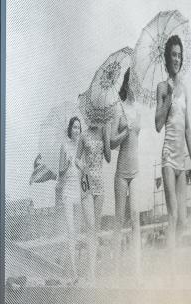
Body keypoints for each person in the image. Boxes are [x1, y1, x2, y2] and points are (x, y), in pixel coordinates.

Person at [154, 34, 191, 252]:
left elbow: (187, 128)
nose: (176, 59)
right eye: (173, 55)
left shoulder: (185, 88)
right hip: (168, 156)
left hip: (181, 159)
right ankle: (170, 269)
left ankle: (174, 258)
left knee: (183, 221)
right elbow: (158, 124)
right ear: (167, 59)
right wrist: (168, 95)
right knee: (173, 214)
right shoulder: (162, 87)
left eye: (179, 55)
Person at [109, 68, 142, 274]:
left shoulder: (138, 110)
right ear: (127, 83)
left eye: (138, 83)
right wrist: (124, 131)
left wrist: (132, 129)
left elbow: (137, 141)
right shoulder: (118, 109)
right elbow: (112, 143)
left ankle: (137, 271)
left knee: (136, 216)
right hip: (121, 173)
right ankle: (116, 270)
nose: (136, 86)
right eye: (133, 82)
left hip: (136, 171)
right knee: (119, 220)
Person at [76, 120, 111, 281]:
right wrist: (82, 167)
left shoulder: (103, 133)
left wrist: (106, 135)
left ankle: (93, 271)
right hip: (86, 183)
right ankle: (91, 273)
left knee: (96, 228)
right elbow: (77, 158)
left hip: (100, 185)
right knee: (90, 226)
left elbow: (109, 157)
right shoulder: (83, 135)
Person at [56, 116, 82, 279]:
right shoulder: (64, 145)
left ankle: (68, 267)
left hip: (79, 191)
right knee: (70, 230)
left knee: (76, 231)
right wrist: (67, 163)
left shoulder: (81, 146)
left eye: (79, 128)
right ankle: (73, 272)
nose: (77, 130)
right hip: (67, 191)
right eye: (74, 127)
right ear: (69, 129)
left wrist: (80, 164)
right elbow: (60, 172)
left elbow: (84, 170)